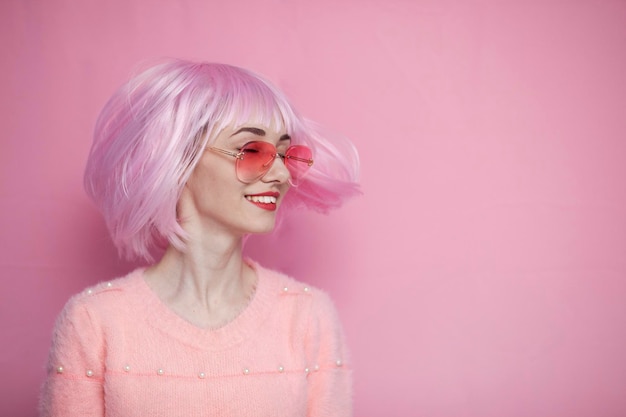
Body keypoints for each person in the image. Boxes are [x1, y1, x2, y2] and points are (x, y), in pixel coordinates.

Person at [39, 59, 360, 417]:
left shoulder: (308, 315)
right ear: (180, 159)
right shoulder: (93, 322)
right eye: (252, 151)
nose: (282, 174)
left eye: (285, 153)